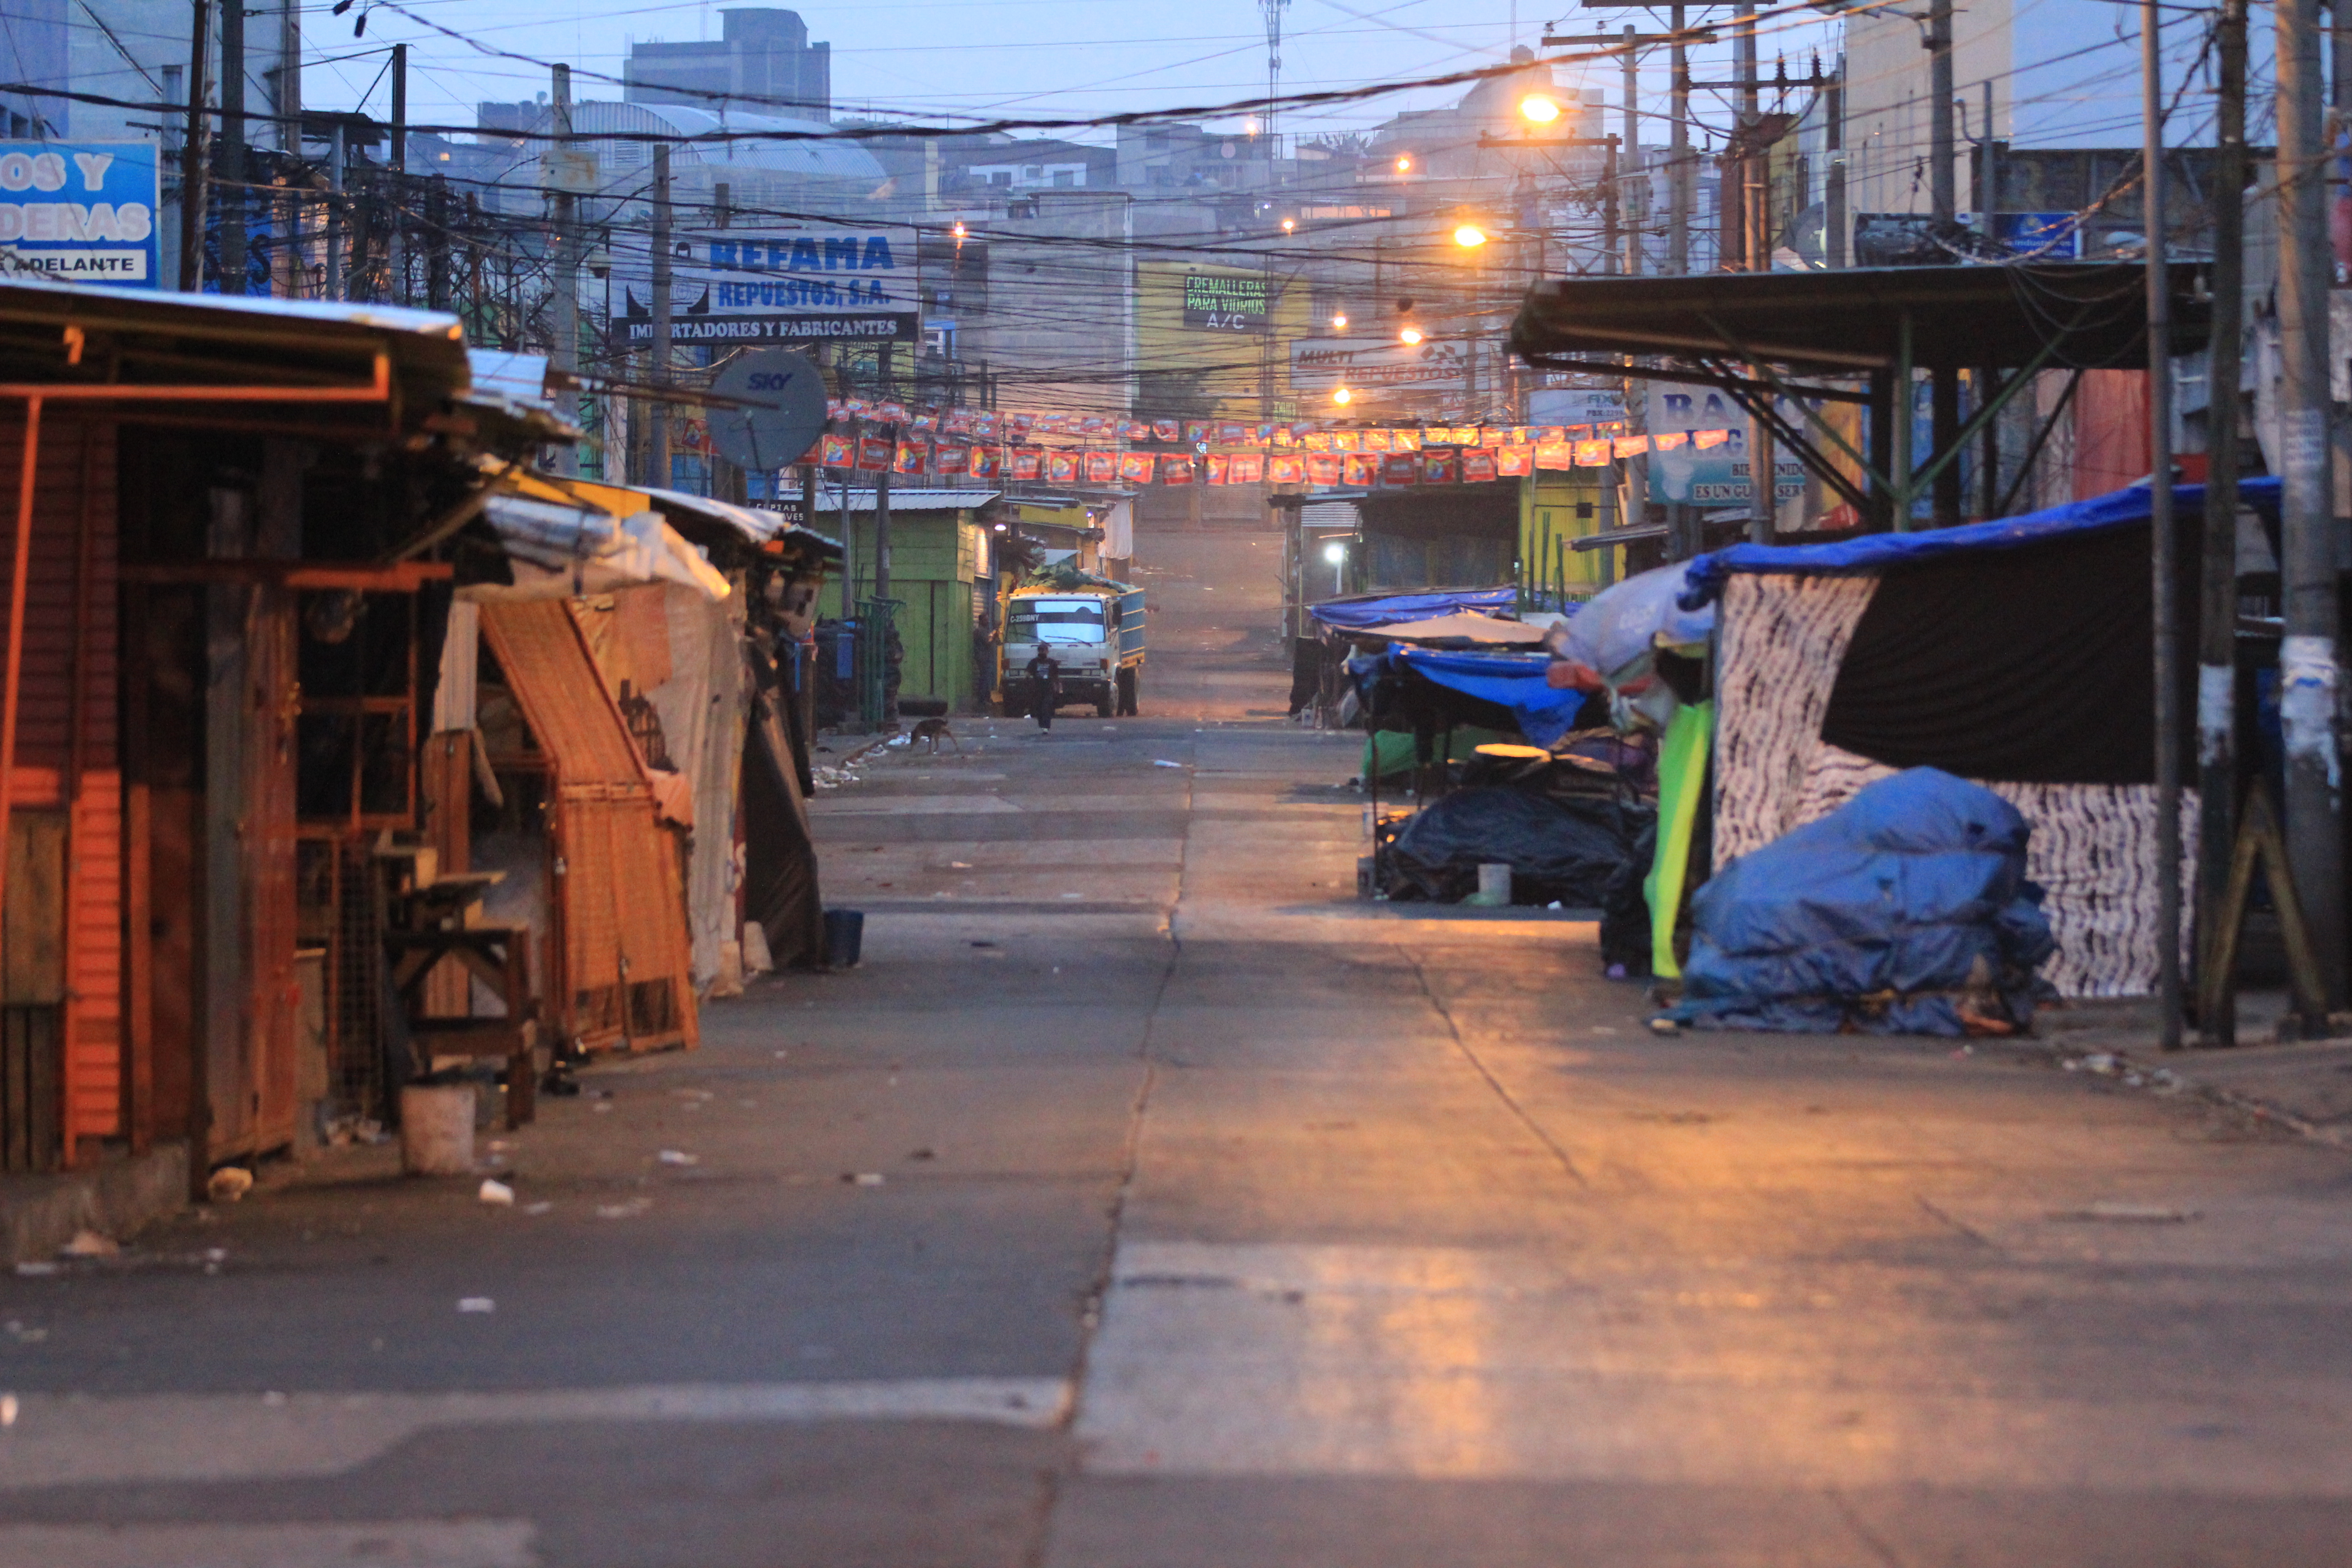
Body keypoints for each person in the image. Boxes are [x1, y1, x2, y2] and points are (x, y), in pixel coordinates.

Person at [1024, 648, 1062, 732]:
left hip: (1049, 688)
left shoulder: (1052, 662)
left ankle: (1047, 725)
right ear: (1038, 652)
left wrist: (1058, 687)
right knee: (1039, 708)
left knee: (1047, 707)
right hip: (1037, 689)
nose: (1042, 652)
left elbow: (1056, 676)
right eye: (1041, 651)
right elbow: (1028, 673)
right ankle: (1042, 724)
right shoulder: (1034, 662)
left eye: (1044, 651)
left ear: (1047, 652)